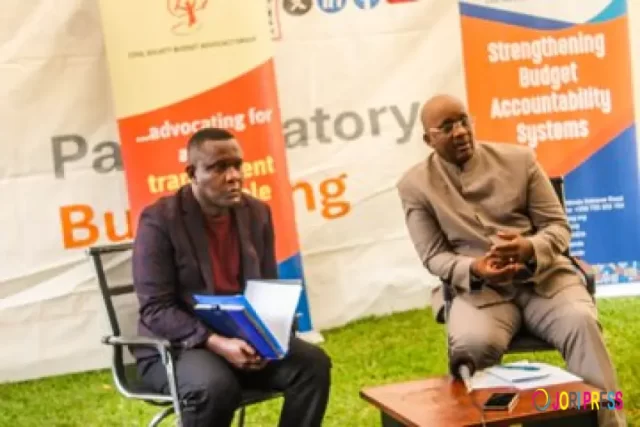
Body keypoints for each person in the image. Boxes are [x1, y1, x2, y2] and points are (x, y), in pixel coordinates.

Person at [396, 94, 625, 427]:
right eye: (447, 127)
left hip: (546, 282)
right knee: (470, 347)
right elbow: (433, 256)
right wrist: (475, 268)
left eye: (463, 121)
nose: (460, 131)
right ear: (428, 140)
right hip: (480, 293)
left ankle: (610, 422)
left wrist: (529, 248)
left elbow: (558, 227)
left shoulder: (520, 160)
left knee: (582, 324)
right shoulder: (414, 185)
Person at [131, 127, 331, 427]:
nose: (233, 176)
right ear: (192, 173)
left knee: (312, 365)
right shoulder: (160, 220)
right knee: (214, 388)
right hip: (178, 346)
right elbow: (156, 308)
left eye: (237, 165)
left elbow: (267, 287)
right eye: (219, 168)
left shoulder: (257, 213)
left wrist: (268, 340)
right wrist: (217, 342)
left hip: (243, 338)